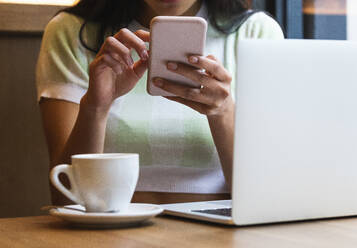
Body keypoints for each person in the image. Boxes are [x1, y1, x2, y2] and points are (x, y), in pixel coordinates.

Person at [36, 0, 284, 205]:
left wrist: (223, 111)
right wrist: (95, 107)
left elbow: (264, 199)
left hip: (218, 235)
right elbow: (64, 194)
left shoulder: (258, 33)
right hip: (108, 233)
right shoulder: (71, 31)